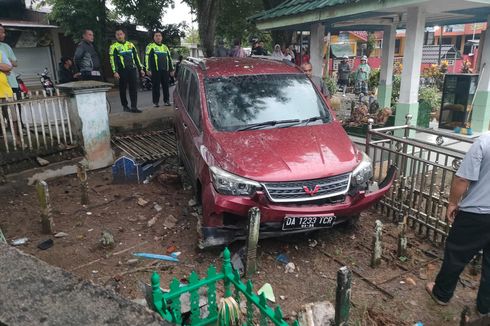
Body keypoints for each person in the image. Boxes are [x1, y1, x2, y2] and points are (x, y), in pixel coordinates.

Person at [426, 134, 490, 318]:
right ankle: (485, 307)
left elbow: (463, 179)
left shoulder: (484, 142)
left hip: (476, 214)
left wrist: (453, 203)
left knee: (456, 254)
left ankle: (442, 294)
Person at [109, 28, 145, 113]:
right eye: (117, 34)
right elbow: (112, 60)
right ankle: (125, 106)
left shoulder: (131, 45)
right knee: (123, 89)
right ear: (116, 36)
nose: (119, 36)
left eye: (121, 34)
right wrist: (115, 71)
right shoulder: (113, 47)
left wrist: (141, 69)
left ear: (124, 35)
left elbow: (136, 58)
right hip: (122, 71)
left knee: (133, 88)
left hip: (132, 69)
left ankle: (134, 107)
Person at [145, 31, 173, 107]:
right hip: (155, 71)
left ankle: (166, 101)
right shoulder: (150, 47)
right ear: (154, 37)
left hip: (165, 70)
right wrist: (148, 69)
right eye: (156, 36)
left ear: (162, 37)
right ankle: (155, 102)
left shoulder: (165, 47)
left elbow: (169, 59)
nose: (158, 37)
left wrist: (171, 69)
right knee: (156, 86)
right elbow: (147, 58)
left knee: (166, 86)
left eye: (159, 36)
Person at [0, 24, 19, 99]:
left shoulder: (6, 47)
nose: (4, 35)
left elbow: (15, 63)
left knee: (15, 107)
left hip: (11, 82)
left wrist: (7, 65)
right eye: (1, 32)